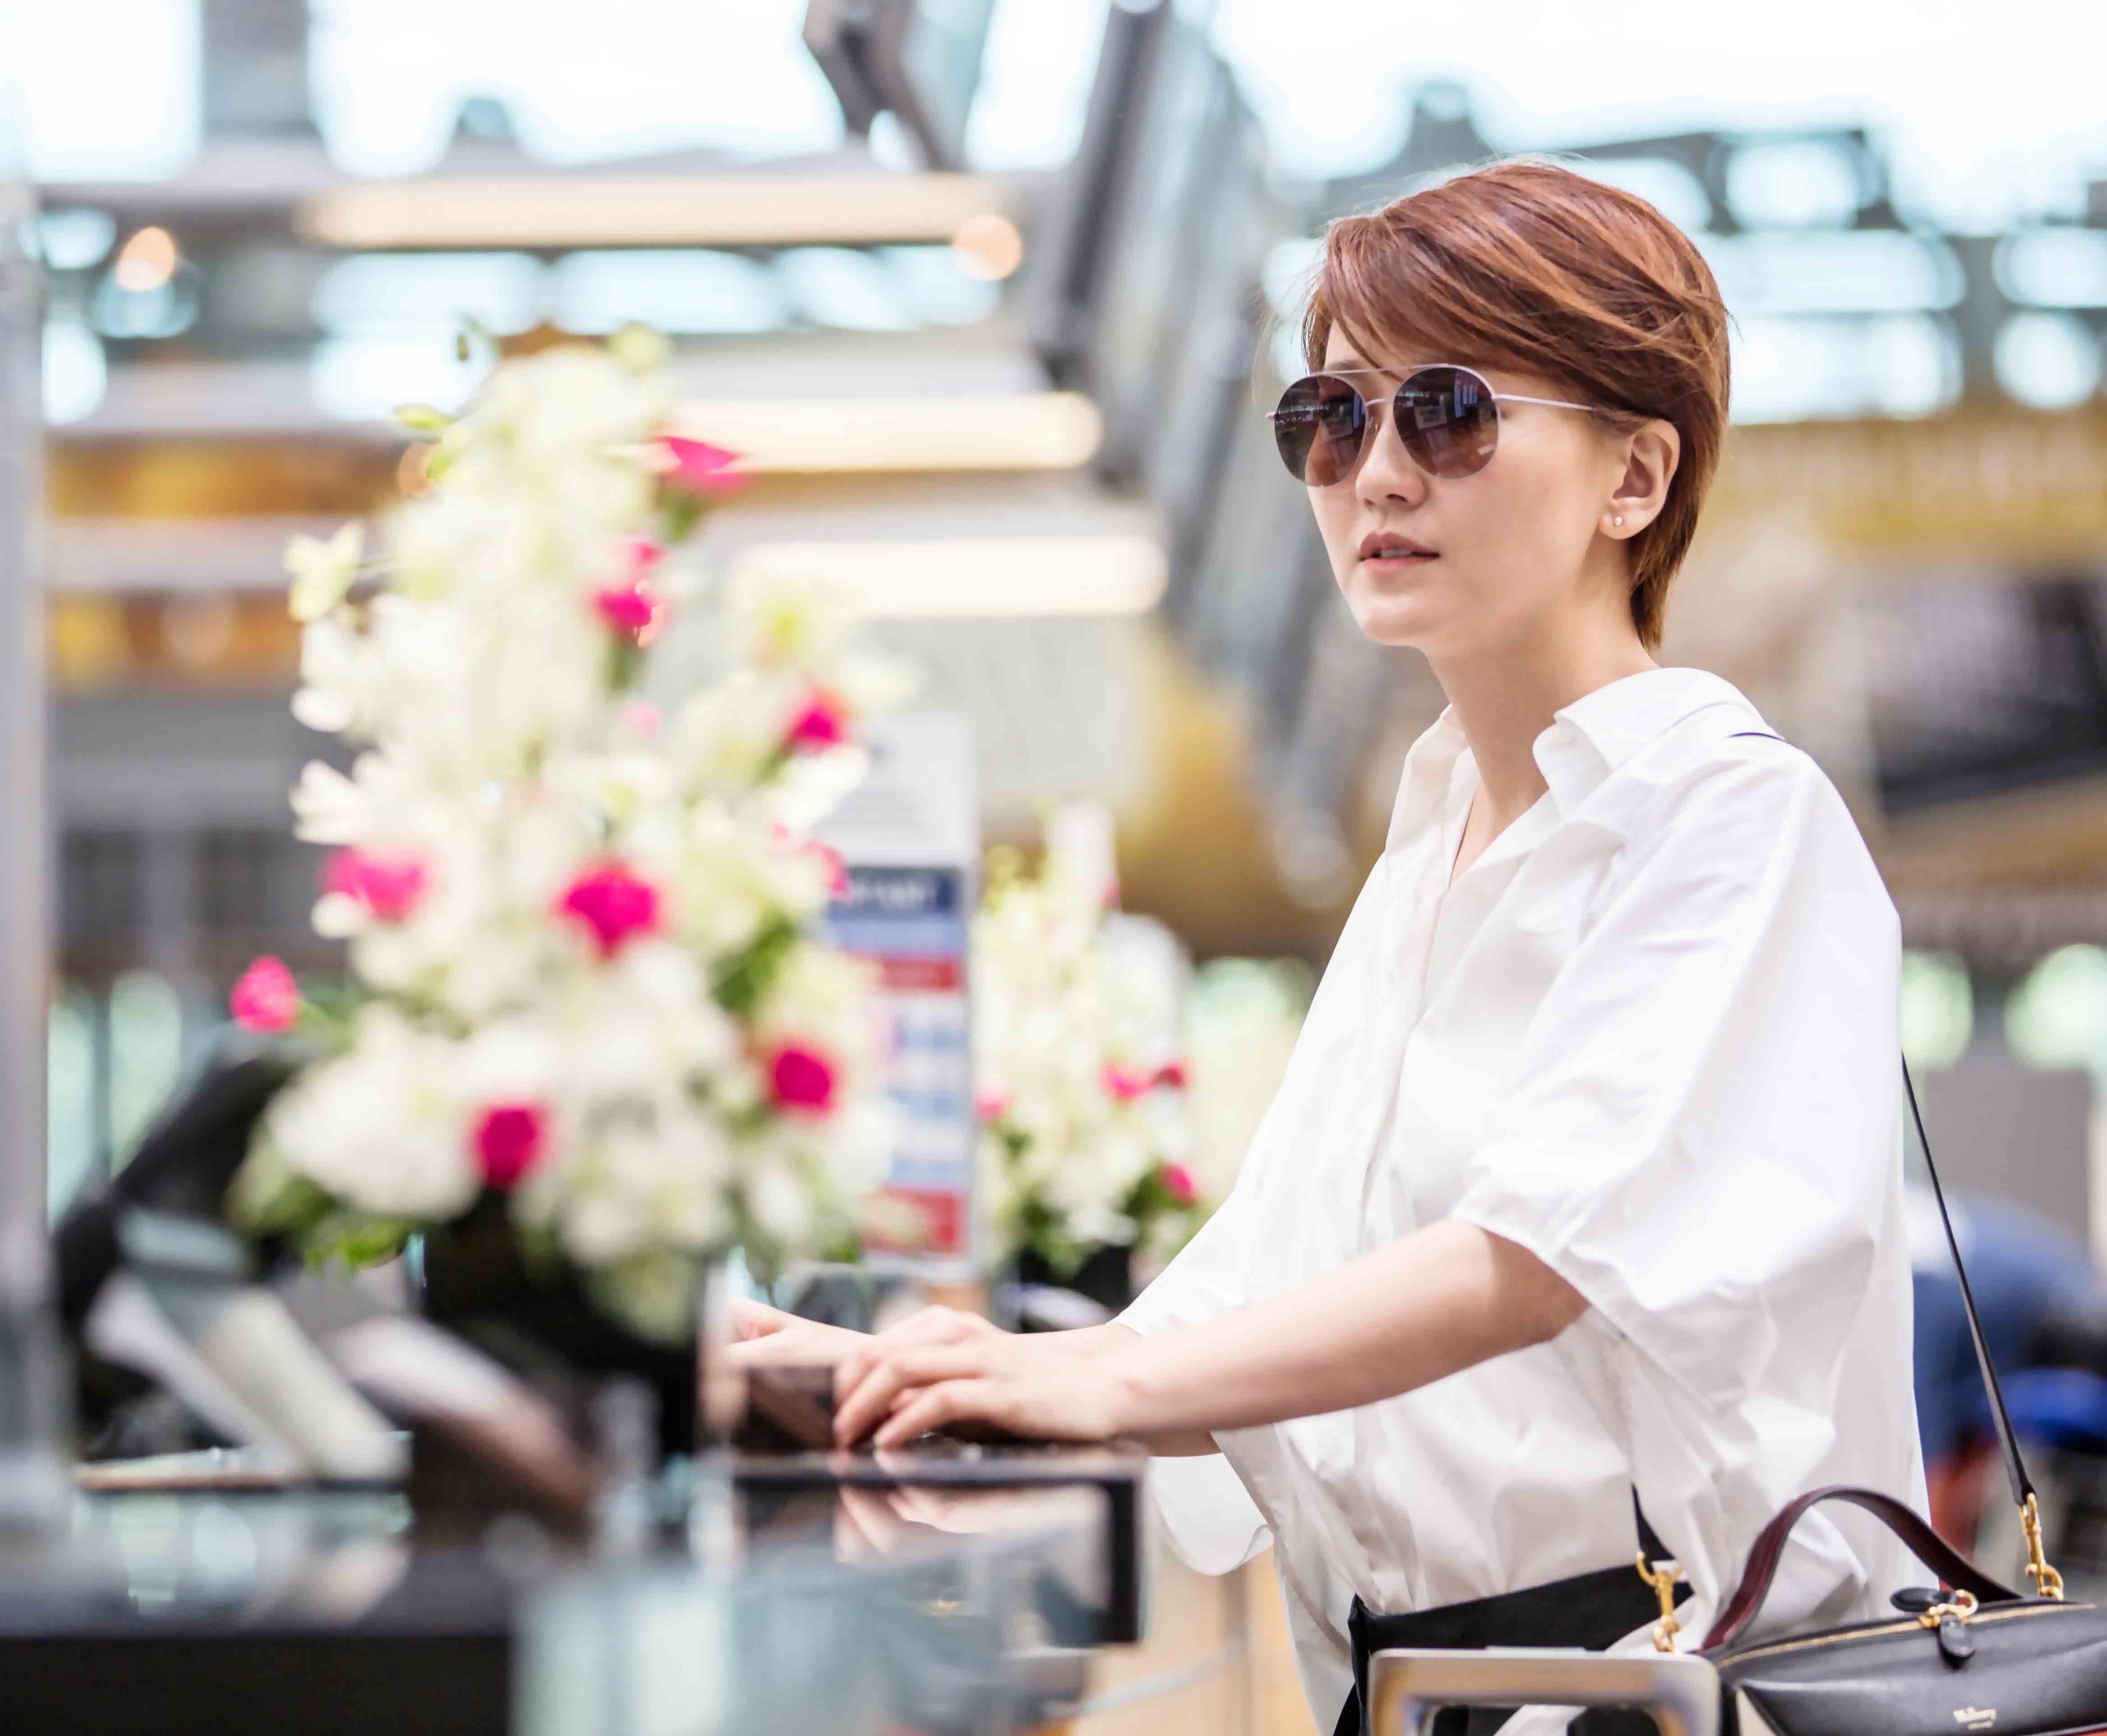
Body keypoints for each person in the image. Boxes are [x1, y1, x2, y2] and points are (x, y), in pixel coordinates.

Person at [734, 159, 1926, 1736]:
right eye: (1331, 418)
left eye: (1447, 411)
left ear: (1635, 478)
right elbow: (1270, 1274)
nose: (1374, 473)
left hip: (1656, 1687)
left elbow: (1532, 1259)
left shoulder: (1727, 818)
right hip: (1425, 1688)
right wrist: (912, 1377)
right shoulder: (1433, 845)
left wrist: (1090, 1387)